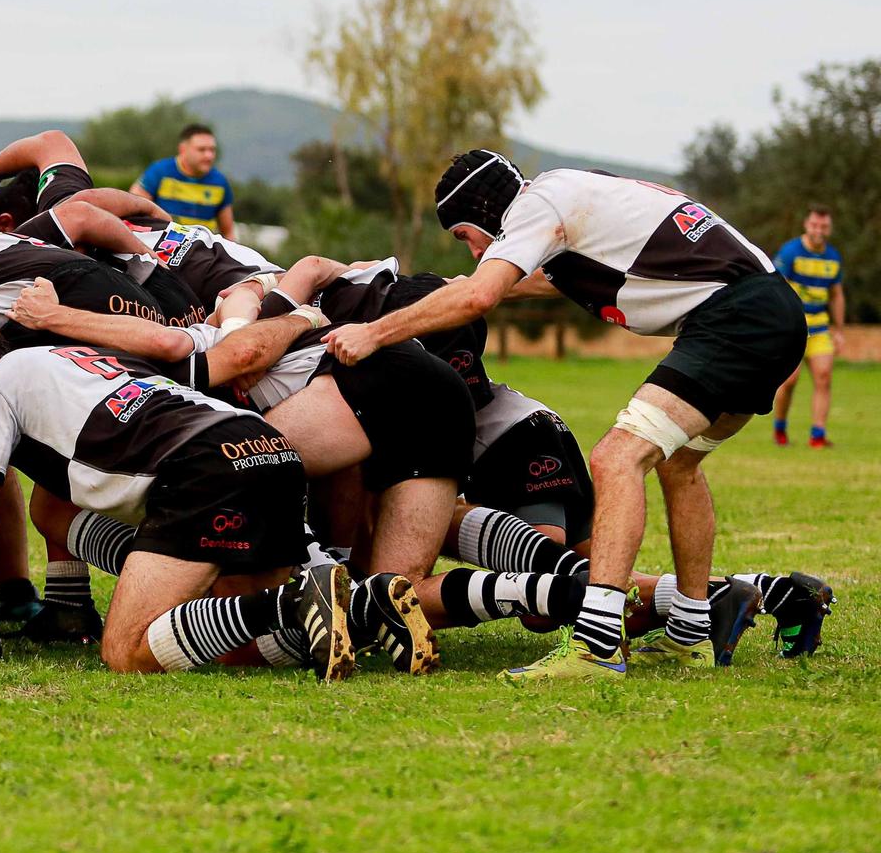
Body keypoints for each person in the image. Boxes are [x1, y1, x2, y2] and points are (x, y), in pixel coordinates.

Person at [323, 151, 807, 680]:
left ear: (485, 210)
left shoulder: (535, 205)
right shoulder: (563, 197)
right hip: (768, 311)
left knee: (617, 458)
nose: (475, 247)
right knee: (678, 464)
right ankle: (691, 632)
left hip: (735, 318)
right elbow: (525, 283)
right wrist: (444, 289)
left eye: (466, 234)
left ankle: (597, 646)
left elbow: (481, 294)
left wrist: (372, 330)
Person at [0, 312, 355, 681]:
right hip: (266, 446)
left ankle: (294, 601)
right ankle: (370, 607)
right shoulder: (72, 357)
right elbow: (54, 502)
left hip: (201, 467)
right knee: (241, 652)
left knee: (125, 651)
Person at [772, 206, 844, 448]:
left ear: (830, 229)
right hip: (793, 327)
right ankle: (780, 429)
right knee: (789, 381)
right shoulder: (791, 252)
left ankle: (818, 436)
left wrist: (840, 330)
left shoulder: (832, 257)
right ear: (806, 225)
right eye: (815, 225)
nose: (819, 231)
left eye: (824, 226)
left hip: (820, 327)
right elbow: (774, 286)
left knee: (824, 377)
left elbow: (836, 294)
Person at [136, 123, 234, 237]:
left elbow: (228, 233)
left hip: (202, 251)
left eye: (212, 150)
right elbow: (135, 210)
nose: (209, 156)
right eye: (201, 149)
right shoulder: (159, 172)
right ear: (182, 149)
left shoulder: (220, 182)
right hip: (163, 247)